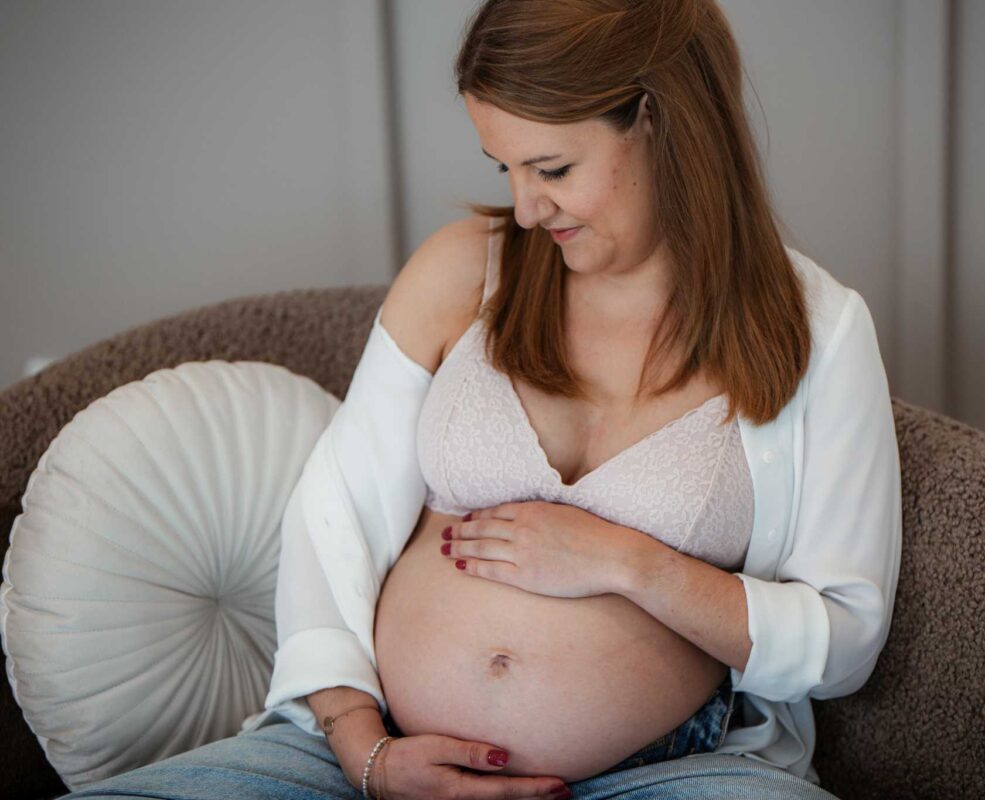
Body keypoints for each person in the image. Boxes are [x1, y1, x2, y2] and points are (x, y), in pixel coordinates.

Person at [64, 1, 901, 798]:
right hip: (372, 760)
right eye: (506, 169)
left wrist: (627, 562)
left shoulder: (818, 332)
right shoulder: (469, 270)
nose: (527, 209)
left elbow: (846, 640)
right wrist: (365, 751)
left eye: (553, 168)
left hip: (673, 773)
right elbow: (337, 514)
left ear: (658, 117)